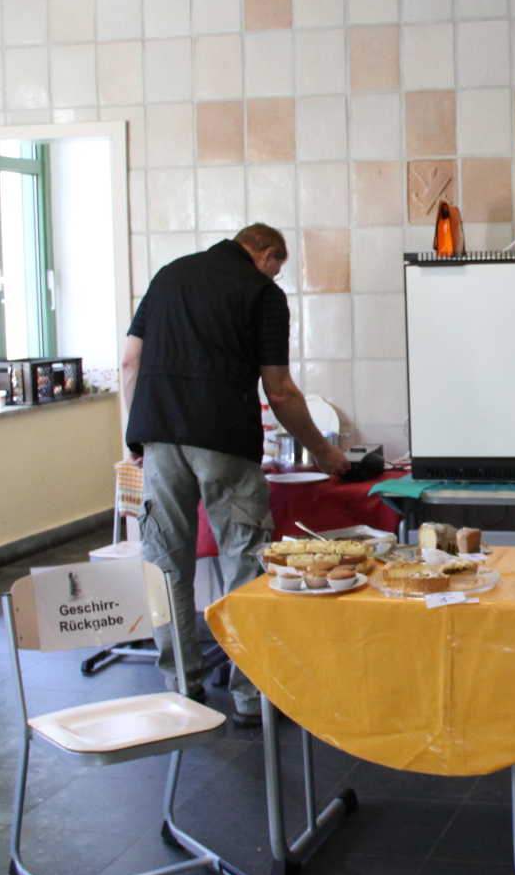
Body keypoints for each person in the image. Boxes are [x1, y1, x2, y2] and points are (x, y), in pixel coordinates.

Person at [122, 223, 347, 724]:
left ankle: (182, 688)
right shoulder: (262, 293)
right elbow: (280, 390)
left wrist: (136, 435)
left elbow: (130, 361)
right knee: (244, 565)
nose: (275, 277)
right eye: (276, 268)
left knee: (165, 566)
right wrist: (322, 451)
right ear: (265, 253)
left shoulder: (168, 276)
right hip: (224, 439)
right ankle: (250, 697)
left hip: (159, 437)